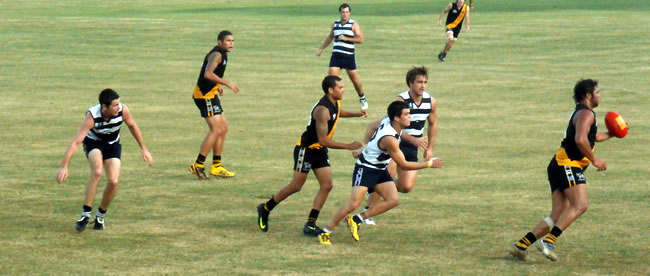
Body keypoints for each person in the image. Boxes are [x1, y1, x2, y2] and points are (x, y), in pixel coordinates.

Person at [509, 79, 614, 261]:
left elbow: (592, 136)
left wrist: (613, 133)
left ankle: (522, 245)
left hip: (558, 165)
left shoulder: (583, 114)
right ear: (588, 95)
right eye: (597, 92)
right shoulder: (586, 114)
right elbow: (581, 140)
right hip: (568, 164)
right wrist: (595, 160)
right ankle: (549, 242)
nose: (600, 96)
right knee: (580, 205)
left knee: (558, 215)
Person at [318, 101, 443, 245]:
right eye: (407, 115)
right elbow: (404, 165)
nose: (410, 117)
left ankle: (356, 219)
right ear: (396, 118)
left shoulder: (390, 123)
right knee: (353, 203)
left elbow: (374, 127)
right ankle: (325, 232)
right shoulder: (390, 139)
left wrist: (365, 148)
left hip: (379, 169)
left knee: (393, 200)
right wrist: (429, 164)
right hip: (366, 169)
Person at [257, 75, 367, 236]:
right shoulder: (321, 110)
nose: (344, 90)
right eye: (341, 88)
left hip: (319, 151)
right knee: (296, 186)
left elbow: (338, 112)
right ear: (331, 90)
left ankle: (310, 223)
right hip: (306, 150)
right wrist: (348, 146)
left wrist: (356, 114)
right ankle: (265, 208)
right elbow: (324, 139)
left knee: (327, 185)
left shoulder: (334, 103)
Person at [56, 89, 153, 231]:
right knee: (97, 172)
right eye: (115, 105)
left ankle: (100, 216)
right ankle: (85, 215)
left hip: (112, 144)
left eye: (119, 103)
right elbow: (76, 142)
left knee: (114, 181)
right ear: (104, 107)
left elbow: (132, 126)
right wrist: (64, 166)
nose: (118, 107)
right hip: (94, 143)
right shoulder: (92, 116)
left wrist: (144, 149)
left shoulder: (123, 111)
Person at [361, 66, 438, 225]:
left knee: (406, 186)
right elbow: (391, 125)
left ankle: (376, 188)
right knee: (388, 173)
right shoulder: (401, 101)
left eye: (425, 82)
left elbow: (433, 124)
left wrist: (429, 148)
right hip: (396, 141)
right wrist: (412, 139)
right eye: (419, 82)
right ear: (410, 83)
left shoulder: (430, 102)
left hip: (412, 146)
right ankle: (367, 212)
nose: (422, 86)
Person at [188, 30, 240, 180]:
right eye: (228, 41)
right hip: (204, 96)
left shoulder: (223, 55)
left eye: (232, 41)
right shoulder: (217, 55)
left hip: (211, 94)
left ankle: (216, 166)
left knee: (223, 128)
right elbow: (208, 74)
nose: (231, 43)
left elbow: (212, 77)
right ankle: (198, 165)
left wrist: (217, 86)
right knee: (216, 129)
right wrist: (227, 83)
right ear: (220, 42)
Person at [316, 3, 368, 111]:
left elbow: (360, 40)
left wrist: (347, 38)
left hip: (348, 56)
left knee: (355, 81)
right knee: (331, 80)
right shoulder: (335, 24)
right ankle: (331, 103)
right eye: (343, 12)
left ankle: (362, 98)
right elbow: (330, 37)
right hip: (336, 56)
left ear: (349, 13)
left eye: (347, 12)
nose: (345, 14)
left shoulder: (353, 25)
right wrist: (321, 48)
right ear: (340, 13)